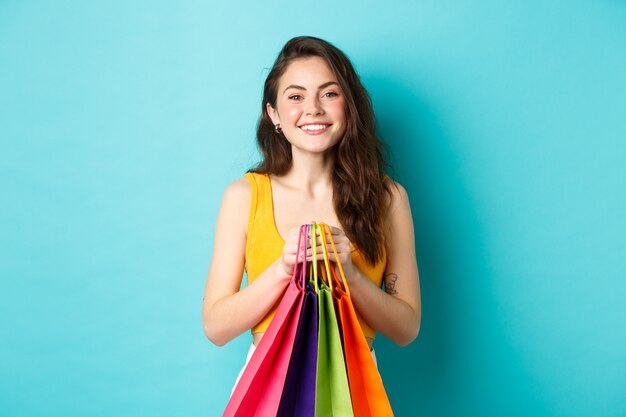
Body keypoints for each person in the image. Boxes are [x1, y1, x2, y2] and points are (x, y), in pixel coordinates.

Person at [201, 36, 421, 389]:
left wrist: (350, 274)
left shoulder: (388, 199)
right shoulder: (244, 196)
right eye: (296, 96)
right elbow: (215, 326)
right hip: (270, 389)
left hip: (356, 390)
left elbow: (406, 328)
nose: (314, 109)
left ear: (349, 106)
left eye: (330, 94)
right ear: (273, 113)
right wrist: (283, 271)